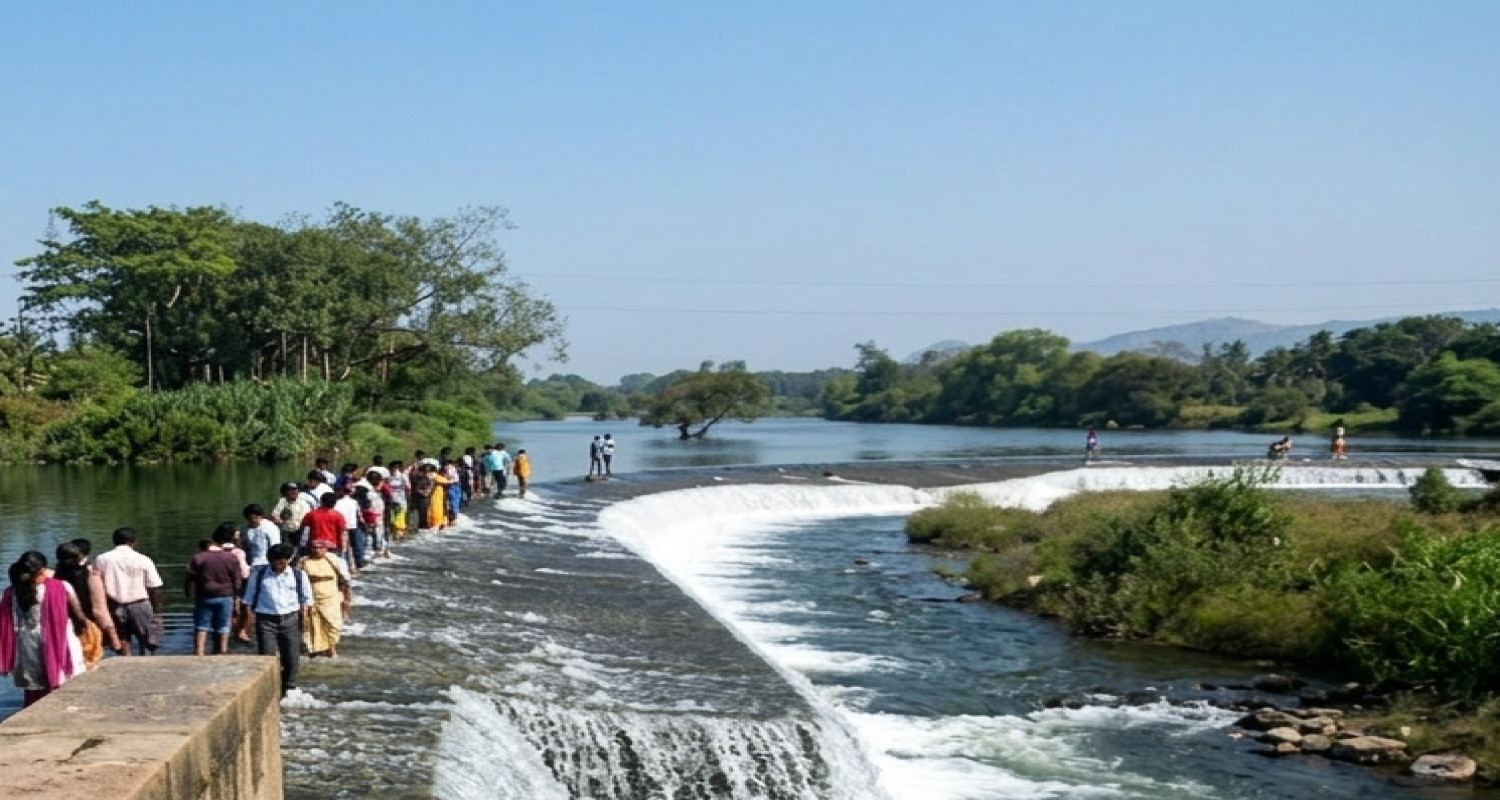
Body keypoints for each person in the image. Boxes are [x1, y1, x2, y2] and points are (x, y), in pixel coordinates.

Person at [1, 551, 88, 708]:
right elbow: (79, 615)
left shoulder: (11, 592)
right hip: (58, 640)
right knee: (60, 681)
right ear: (42, 570)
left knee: (33, 689)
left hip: (26, 645)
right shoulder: (60, 587)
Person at [242, 544, 312, 697]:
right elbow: (248, 599)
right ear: (269, 560)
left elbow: (307, 600)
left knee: (291, 656)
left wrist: (305, 620)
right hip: (265, 620)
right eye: (275, 562)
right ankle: (267, 688)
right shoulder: (259, 575)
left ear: (288, 560)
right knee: (266, 657)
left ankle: (289, 687)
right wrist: (246, 625)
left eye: (282, 562)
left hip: (290, 619)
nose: (279, 565)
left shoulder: (298, 575)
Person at [92, 527, 165, 656]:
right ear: (134, 542)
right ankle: (146, 663)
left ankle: (125, 661)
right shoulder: (143, 559)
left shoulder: (102, 559)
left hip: (114, 604)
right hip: (140, 603)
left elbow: (96, 584)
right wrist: (156, 609)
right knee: (146, 639)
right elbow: (154, 586)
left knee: (122, 638)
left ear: (114, 541)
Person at [52, 541, 120, 668]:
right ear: (80, 558)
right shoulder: (90, 576)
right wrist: (113, 636)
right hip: (85, 625)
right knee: (89, 662)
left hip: (60, 626)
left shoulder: (53, 579)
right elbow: (99, 610)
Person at [184, 523, 244, 656]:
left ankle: (199, 652)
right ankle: (222, 651)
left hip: (204, 596)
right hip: (225, 596)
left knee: (201, 626)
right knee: (223, 627)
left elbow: (190, 577)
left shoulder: (199, 557)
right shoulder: (231, 557)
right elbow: (237, 580)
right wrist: (237, 599)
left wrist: (188, 591)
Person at [298, 539, 352, 659]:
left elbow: (344, 579)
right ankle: (313, 651)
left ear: (325, 549)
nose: (317, 550)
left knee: (333, 625)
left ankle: (331, 648)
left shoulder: (333, 560)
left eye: (320, 548)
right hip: (312, 597)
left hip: (331, 597)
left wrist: (347, 597)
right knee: (312, 625)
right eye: (314, 548)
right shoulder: (304, 562)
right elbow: (297, 581)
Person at [271, 481, 315, 548]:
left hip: (299, 531)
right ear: (284, 492)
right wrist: (278, 520)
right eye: (290, 490)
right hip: (285, 531)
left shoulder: (303, 503)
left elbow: (308, 520)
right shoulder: (282, 501)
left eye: (295, 490)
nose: (293, 492)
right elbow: (275, 515)